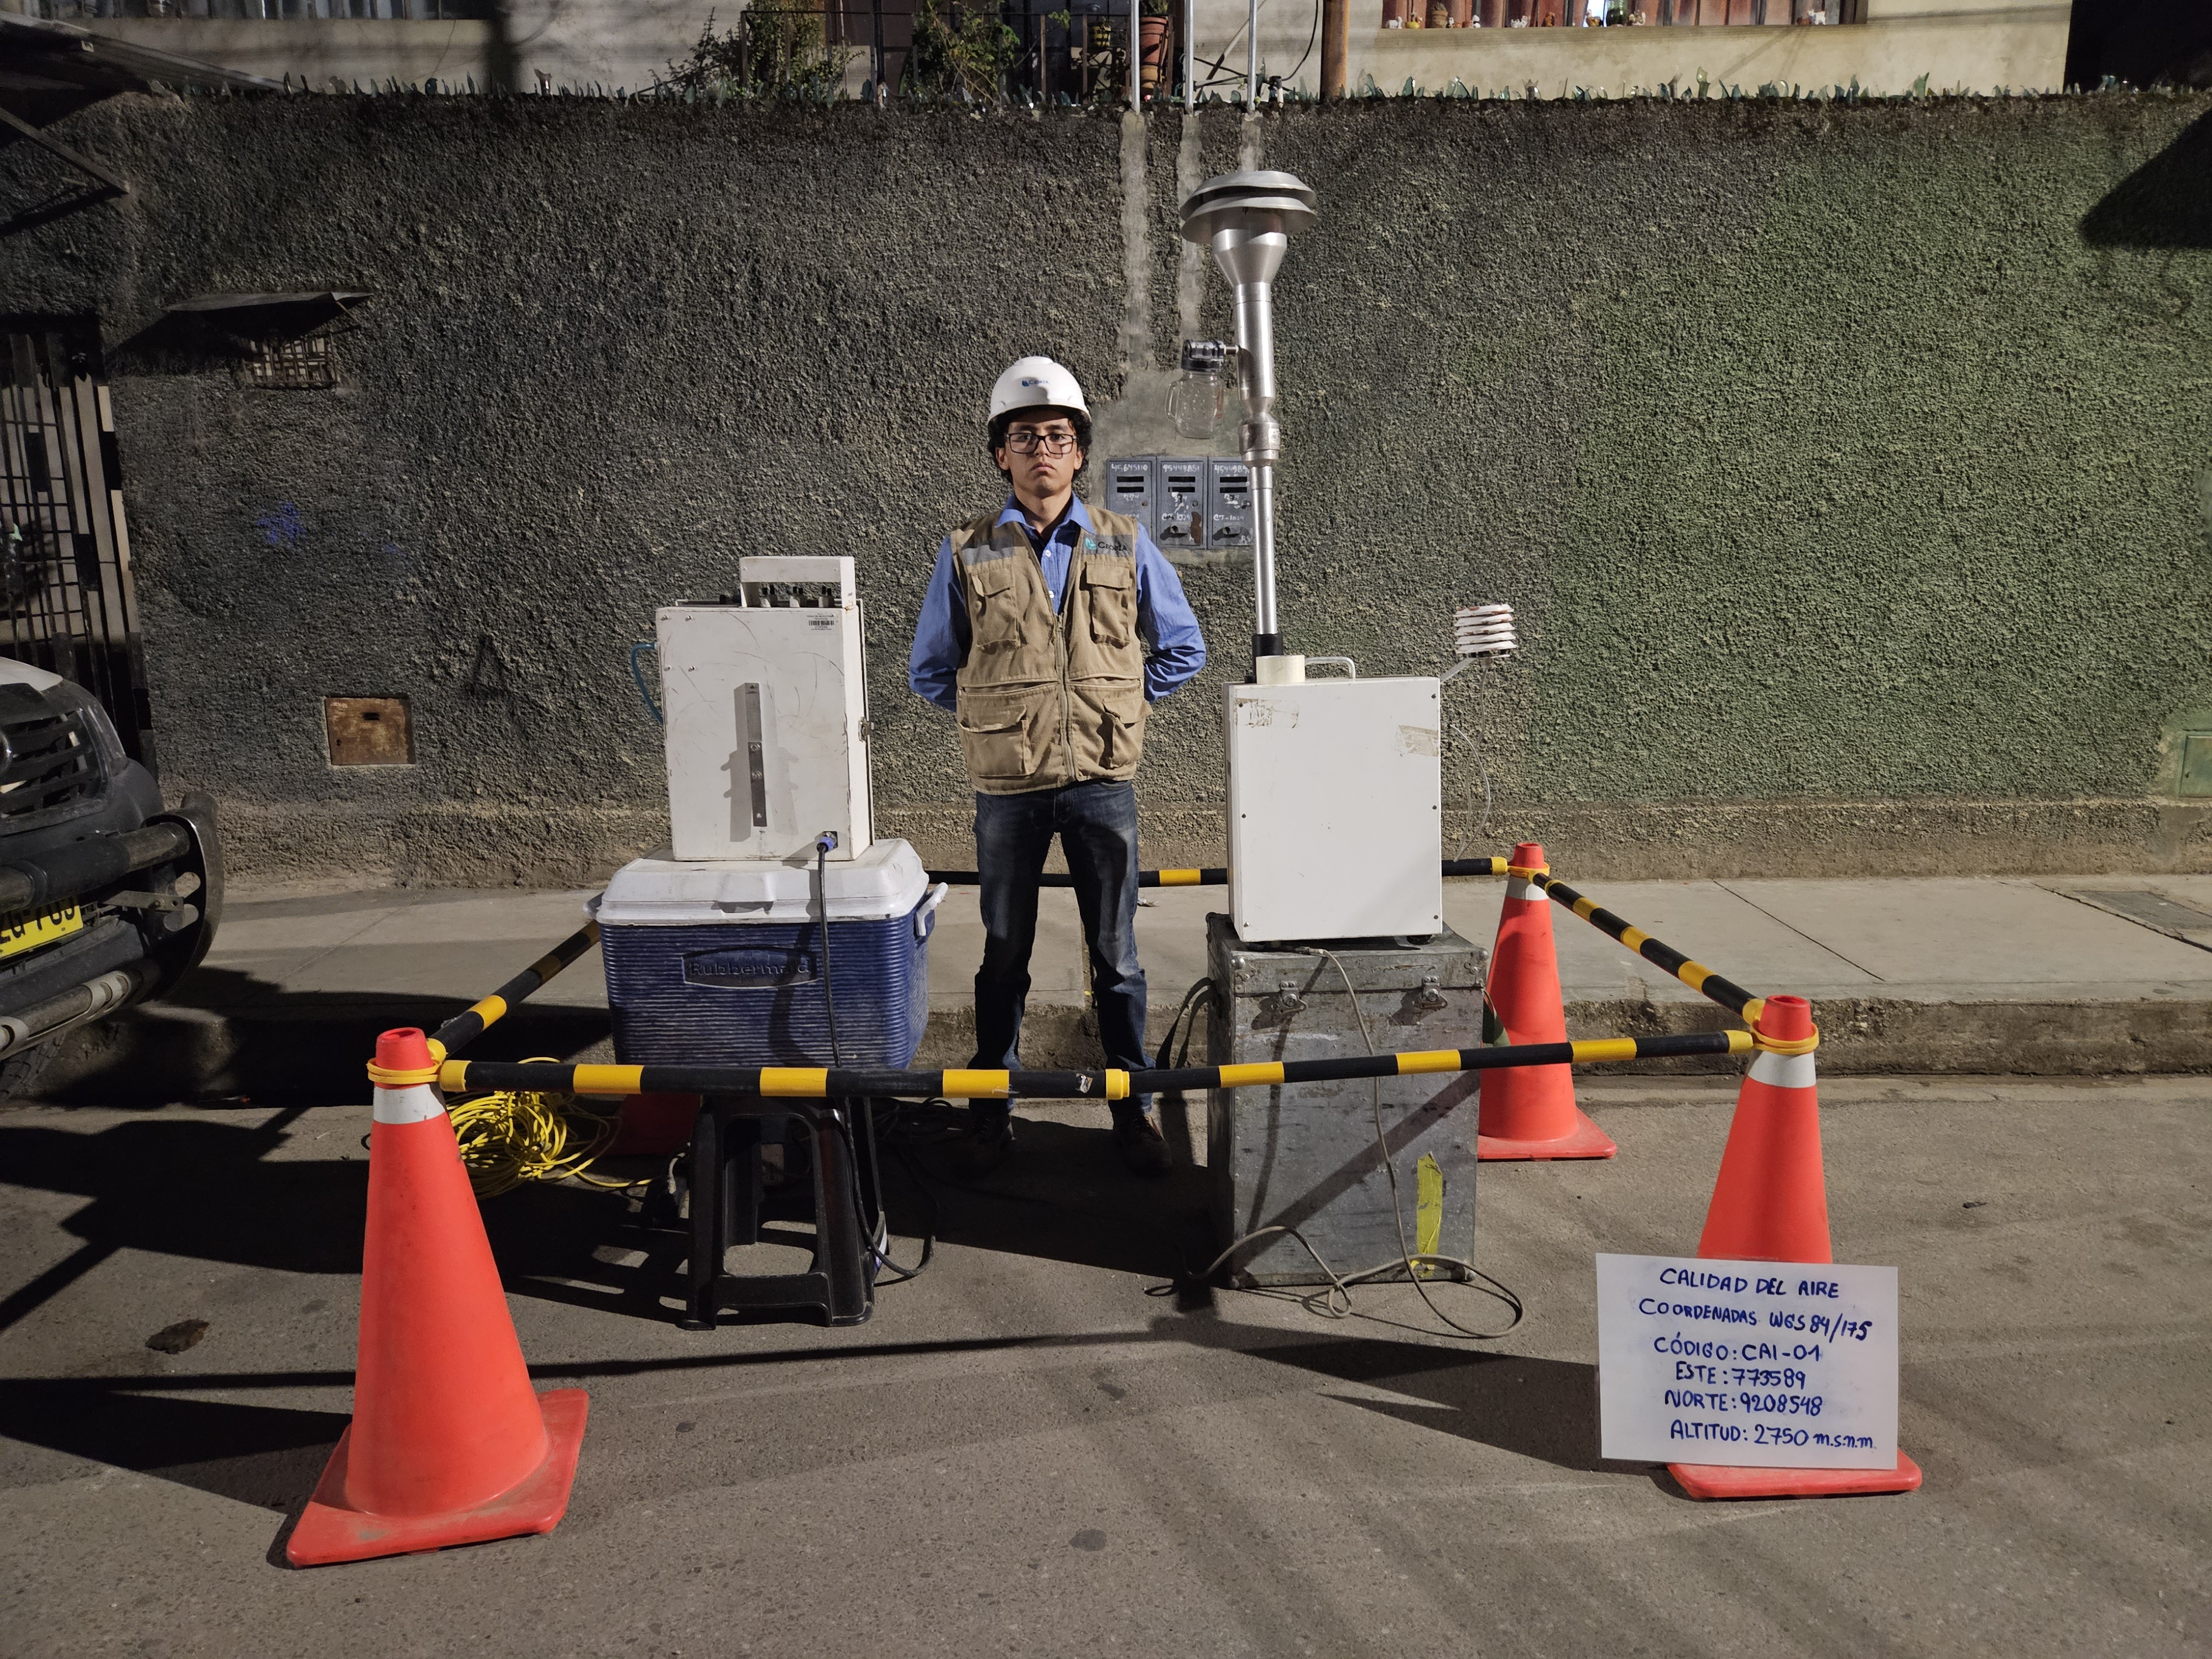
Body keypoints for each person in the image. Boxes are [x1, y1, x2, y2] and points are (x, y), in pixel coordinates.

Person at [909, 357, 1206, 1177]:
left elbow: (1184, 647)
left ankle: (1132, 1108)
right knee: (1004, 952)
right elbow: (931, 670)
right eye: (1025, 436)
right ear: (1001, 454)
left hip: (1103, 784)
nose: (1043, 449)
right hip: (1008, 791)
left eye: (1059, 436)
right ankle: (991, 1107)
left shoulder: (1123, 540)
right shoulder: (968, 550)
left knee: (1117, 957)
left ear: (1079, 454)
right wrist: (1001, 722)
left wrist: (1122, 704)